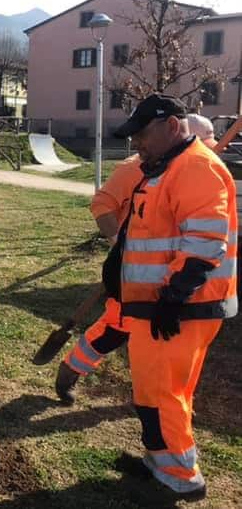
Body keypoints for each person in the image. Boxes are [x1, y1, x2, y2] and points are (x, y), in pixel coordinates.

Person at [106, 94, 235, 501]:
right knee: (153, 389)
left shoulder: (196, 168)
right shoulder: (168, 167)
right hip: (156, 305)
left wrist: (174, 297)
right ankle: (159, 461)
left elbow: (205, 241)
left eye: (143, 134)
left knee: (166, 393)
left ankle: (182, 477)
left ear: (174, 126)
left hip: (180, 308)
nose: (137, 143)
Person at [56, 112, 221, 404]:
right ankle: (71, 370)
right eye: (202, 142)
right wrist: (120, 246)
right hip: (135, 273)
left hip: (173, 279)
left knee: (166, 348)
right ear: (180, 132)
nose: (205, 149)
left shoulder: (195, 169)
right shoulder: (135, 169)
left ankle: (163, 404)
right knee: (116, 328)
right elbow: (102, 204)